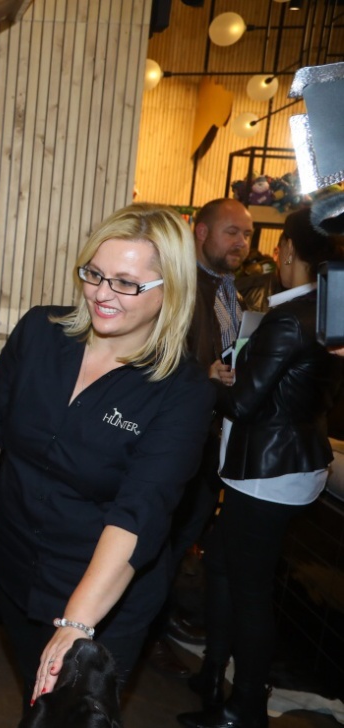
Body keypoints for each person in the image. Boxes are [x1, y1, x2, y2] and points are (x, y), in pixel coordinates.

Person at [0, 203, 215, 715]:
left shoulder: (183, 391)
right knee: (37, 707)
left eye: (126, 283)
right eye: (94, 274)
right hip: (18, 565)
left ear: (171, 291)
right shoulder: (40, 331)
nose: (101, 293)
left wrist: (77, 621)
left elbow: (139, 512)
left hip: (105, 594)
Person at [177, 208, 344, 728]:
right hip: (289, 464)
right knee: (222, 565)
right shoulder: (328, 308)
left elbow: (244, 404)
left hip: (268, 473)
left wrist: (213, 379)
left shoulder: (291, 319)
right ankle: (214, 673)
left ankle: (245, 706)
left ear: (287, 250)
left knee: (250, 592)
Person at [148, 199, 256, 677]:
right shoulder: (175, 286)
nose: (242, 243)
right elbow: (150, 357)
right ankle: (143, 635)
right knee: (158, 544)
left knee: (180, 543)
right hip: (173, 438)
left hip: (213, 440)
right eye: (232, 232)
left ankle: (156, 623)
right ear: (201, 231)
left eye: (247, 235)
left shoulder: (231, 290)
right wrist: (201, 376)